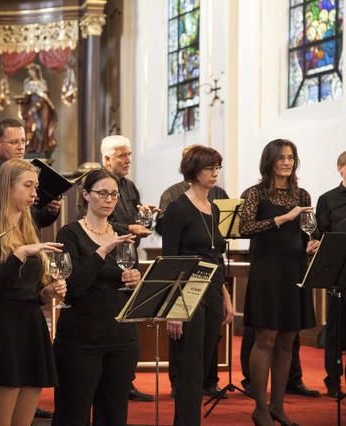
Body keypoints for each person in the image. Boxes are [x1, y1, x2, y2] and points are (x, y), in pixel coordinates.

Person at [0, 118, 62, 419]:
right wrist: (18, 255)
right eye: (29, 186)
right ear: (8, 187)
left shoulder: (29, 227)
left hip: (31, 326)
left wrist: (47, 292)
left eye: (36, 186)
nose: (36, 194)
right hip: (2, 330)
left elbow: (30, 292)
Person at [52, 169, 142, 425]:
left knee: (114, 414)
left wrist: (134, 281)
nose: (109, 199)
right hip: (81, 339)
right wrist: (101, 251)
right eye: (102, 193)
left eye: (114, 194)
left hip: (122, 338)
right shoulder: (69, 234)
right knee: (73, 414)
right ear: (85, 195)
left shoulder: (123, 236)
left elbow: (125, 285)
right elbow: (73, 286)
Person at [239, 139, 316, 426]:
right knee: (266, 338)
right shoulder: (255, 194)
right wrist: (284, 218)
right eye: (281, 157)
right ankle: (259, 408)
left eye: (291, 157)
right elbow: (245, 228)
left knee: (287, 341)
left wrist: (313, 242)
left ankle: (277, 407)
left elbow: (308, 231)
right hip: (267, 272)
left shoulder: (302, 193)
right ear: (269, 161)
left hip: (295, 270)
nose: (287, 162)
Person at [162, 145, 234, 426]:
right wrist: (175, 308)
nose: (215, 173)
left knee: (203, 366)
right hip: (188, 291)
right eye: (209, 168)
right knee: (190, 368)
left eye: (218, 167)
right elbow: (170, 259)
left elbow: (217, 256)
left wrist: (225, 295)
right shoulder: (178, 208)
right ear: (193, 171)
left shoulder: (215, 208)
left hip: (213, 288)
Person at [89, 135, 154, 402]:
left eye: (129, 155)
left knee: (128, 318)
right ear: (106, 159)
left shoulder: (130, 187)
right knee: (110, 319)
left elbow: (128, 217)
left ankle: (124, 380)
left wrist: (143, 215)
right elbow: (103, 220)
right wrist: (130, 228)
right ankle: (105, 380)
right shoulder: (97, 184)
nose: (128, 160)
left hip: (128, 256)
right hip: (106, 261)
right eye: (122, 156)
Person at [0, 118, 61, 230]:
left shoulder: (32, 172)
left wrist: (51, 211)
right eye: (14, 142)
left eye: (24, 141)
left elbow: (38, 219)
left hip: (29, 239)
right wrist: (7, 204)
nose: (21, 147)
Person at [315, 150, 346, 398]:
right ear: (340, 168)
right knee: (335, 329)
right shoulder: (328, 199)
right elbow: (319, 235)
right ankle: (333, 381)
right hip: (340, 274)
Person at [20, 63, 58, 154]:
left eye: (31, 71)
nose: (30, 73)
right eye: (29, 71)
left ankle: (42, 147)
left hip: (42, 108)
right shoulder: (27, 83)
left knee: (42, 127)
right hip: (31, 107)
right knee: (30, 126)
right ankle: (31, 147)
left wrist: (38, 105)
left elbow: (45, 97)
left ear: (36, 72)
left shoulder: (42, 83)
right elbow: (25, 98)